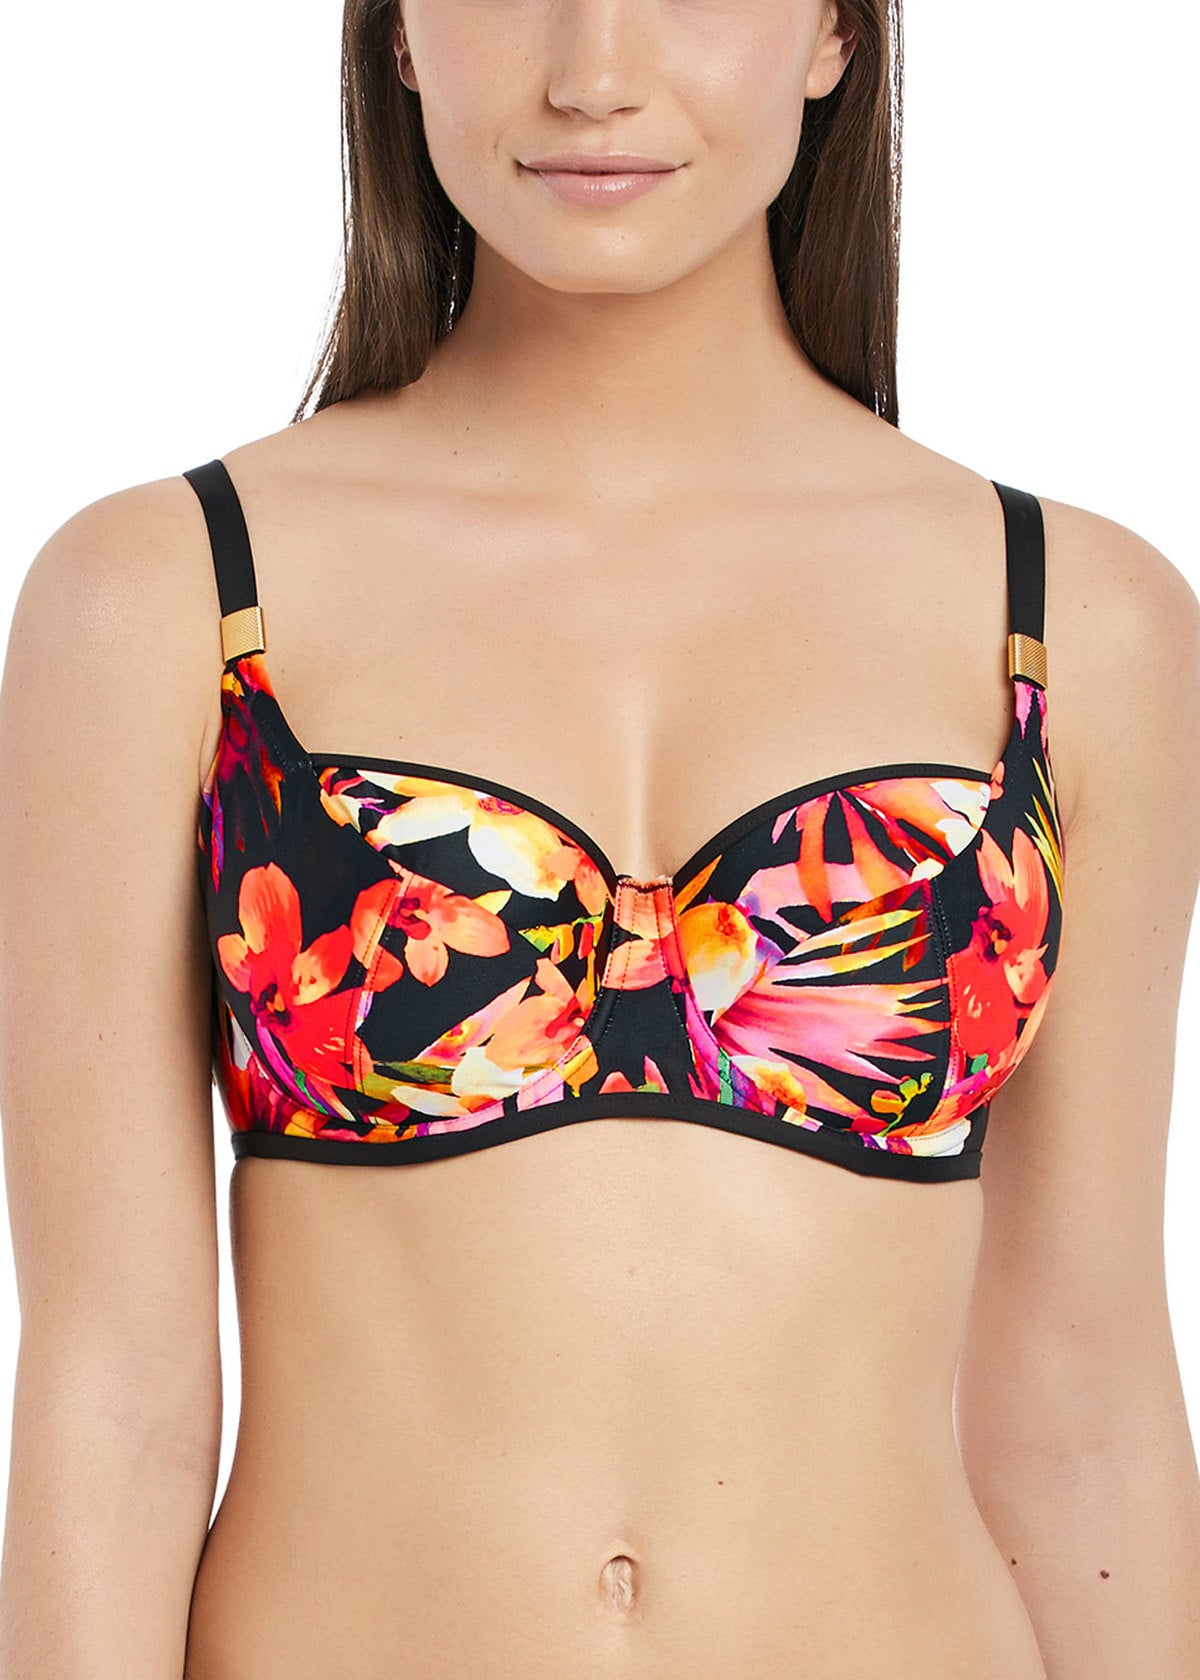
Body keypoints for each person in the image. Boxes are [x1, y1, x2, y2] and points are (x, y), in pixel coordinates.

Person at [1, 0, 1198, 1674]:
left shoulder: (1078, 623)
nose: (595, 71)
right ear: (397, 32)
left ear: (836, 32)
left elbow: (1083, 1396)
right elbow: (112, 1397)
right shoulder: (163, 598)